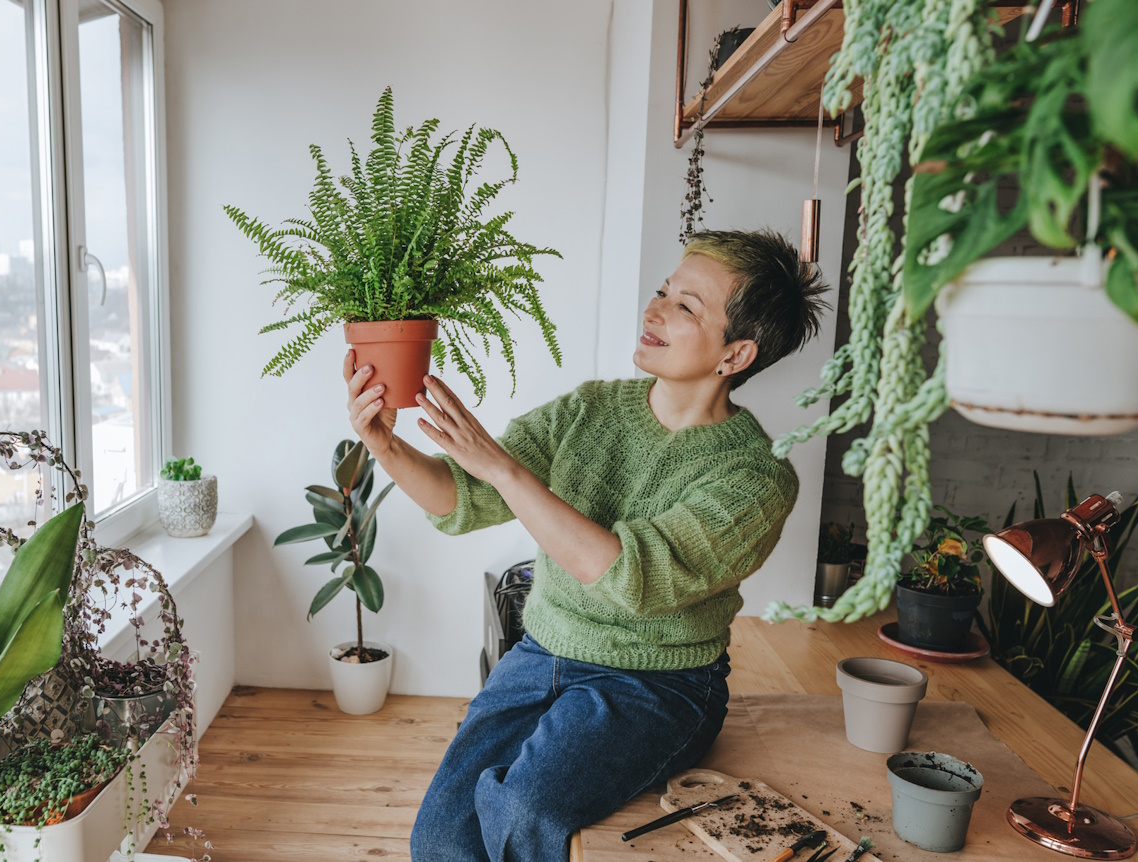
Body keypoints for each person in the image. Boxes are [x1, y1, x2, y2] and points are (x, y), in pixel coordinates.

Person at [342, 229, 827, 862]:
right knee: (438, 838)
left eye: (686, 306)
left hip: (657, 685)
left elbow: (631, 575)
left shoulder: (757, 479)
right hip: (541, 650)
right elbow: (463, 496)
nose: (654, 310)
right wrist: (384, 443)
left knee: (525, 811)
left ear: (735, 356)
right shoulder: (590, 410)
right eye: (661, 291)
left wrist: (506, 470)